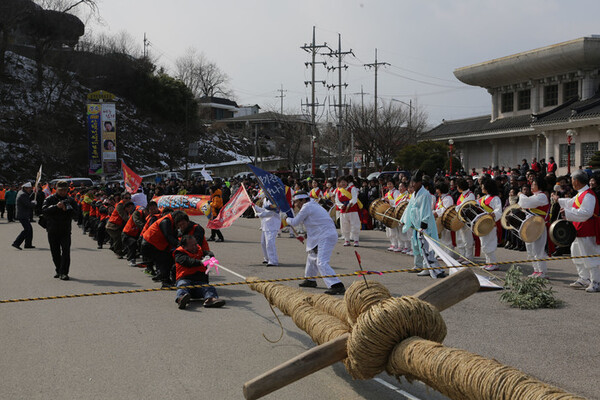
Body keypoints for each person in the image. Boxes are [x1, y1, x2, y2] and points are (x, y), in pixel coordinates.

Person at [286, 191, 346, 295]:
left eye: (296, 202)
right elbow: (314, 223)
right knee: (312, 257)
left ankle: (337, 285)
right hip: (321, 235)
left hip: (325, 236)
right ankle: (310, 280)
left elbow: (295, 222)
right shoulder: (312, 205)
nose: (295, 205)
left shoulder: (307, 206)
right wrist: (306, 235)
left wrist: (286, 219)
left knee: (321, 262)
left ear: (303, 200)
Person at [556, 171, 600, 292]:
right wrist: (559, 200)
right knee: (576, 253)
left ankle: (596, 281)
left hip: (587, 229)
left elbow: (586, 212)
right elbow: (571, 202)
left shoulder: (588, 195)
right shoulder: (581, 193)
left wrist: (568, 212)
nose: (571, 182)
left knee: (590, 255)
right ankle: (584, 278)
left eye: (572, 180)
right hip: (578, 228)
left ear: (576, 181)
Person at [400, 172, 446, 279]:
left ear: (420, 183)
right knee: (415, 244)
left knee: (425, 247)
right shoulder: (414, 195)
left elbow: (426, 210)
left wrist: (423, 225)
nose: (412, 185)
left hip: (424, 225)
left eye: (414, 183)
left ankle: (427, 267)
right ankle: (418, 265)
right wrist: (404, 219)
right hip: (416, 224)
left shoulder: (425, 194)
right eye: (412, 183)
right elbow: (409, 208)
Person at [174, 235, 225, 309]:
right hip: (186, 279)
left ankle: (210, 299)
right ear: (184, 246)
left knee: (209, 288)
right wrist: (201, 262)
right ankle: (181, 299)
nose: (195, 247)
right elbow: (187, 261)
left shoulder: (200, 250)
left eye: (195, 244)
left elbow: (210, 253)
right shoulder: (179, 254)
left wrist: (209, 257)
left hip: (200, 281)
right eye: (192, 245)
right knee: (183, 285)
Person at [41, 181, 78, 280]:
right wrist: (55, 207)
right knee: (55, 252)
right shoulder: (50, 199)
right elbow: (44, 211)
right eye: (60, 190)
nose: (62, 192)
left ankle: (64, 272)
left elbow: (77, 214)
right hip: (52, 229)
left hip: (65, 230)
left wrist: (68, 210)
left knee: (66, 252)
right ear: (56, 189)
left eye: (65, 190)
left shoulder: (70, 200)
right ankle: (58, 269)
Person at [518, 175, 550, 278]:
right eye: (531, 184)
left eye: (534, 184)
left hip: (539, 225)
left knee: (538, 248)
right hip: (531, 225)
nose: (532, 186)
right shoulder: (534, 196)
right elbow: (523, 203)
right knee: (531, 248)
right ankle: (536, 269)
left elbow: (525, 201)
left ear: (539, 185)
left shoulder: (542, 196)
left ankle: (542, 271)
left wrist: (520, 195)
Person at [478, 178, 503, 271]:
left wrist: (493, 214)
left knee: (490, 243)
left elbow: (498, 211)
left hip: (491, 224)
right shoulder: (483, 198)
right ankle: (488, 262)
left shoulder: (495, 198)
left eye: (483, 186)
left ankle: (493, 263)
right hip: (482, 224)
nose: (481, 187)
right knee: (484, 243)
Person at [253, 197, 280, 266]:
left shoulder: (274, 200)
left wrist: (259, 215)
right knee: (263, 243)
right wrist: (254, 206)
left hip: (273, 225)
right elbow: (263, 210)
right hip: (265, 225)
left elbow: (271, 213)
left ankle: (273, 261)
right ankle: (267, 258)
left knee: (270, 243)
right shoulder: (265, 199)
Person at [335, 175, 361, 247]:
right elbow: (337, 201)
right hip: (343, 211)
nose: (343, 183)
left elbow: (354, 198)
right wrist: (341, 206)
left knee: (354, 225)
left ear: (347, 182)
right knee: (344, 225)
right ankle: (347, 240)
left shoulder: (352, 189)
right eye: (341, 182)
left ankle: (356, 240)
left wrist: (350, 204)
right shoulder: (338, 191)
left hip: (352, 210)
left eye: (344, 182)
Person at [455, 178, 475, 262]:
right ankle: (462, 254)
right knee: (460, 238)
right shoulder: (462, 195)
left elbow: (463, 206)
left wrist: (456, 208)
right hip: (460, 219)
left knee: (467, 239)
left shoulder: (470, 195)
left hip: (467, 220)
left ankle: (469, 257)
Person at [12, 182, 36, 250]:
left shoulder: (22, 193)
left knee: (29, 229)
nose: (30, 189)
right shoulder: (23, 194)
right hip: (22, 215)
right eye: (29, 188)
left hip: (23, 214)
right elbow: (27, 204)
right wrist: (33, 203)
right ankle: (16, 243)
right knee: (27, 229)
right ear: (25, 188)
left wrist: (33, 194)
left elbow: (28, 199)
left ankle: (28, 244)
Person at [383, 180, 401, 252]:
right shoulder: (387, 193)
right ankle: (392, 243)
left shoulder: (396, 192)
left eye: (390, 184)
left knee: (394, 229)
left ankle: (397, 244)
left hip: (393, 211)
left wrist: (389, 201)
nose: (389, 185)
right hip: (388, 212)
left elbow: (397, 202)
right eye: (388, 184)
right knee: (389, 229)